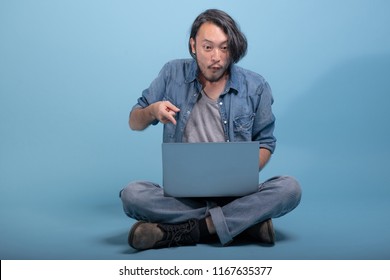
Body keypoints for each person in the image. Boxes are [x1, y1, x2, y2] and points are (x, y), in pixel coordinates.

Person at [120, 9, 301, 250]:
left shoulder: (256, 86)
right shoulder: (171, 73)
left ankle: (190, 231)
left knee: (289, 189)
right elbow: (134, 121)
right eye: (208, 47)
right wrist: (152, 111)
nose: (216, 57)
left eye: (224, 48)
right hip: (183, 197)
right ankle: (243, 223)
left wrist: (240, 173)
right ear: (193, 45)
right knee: (132, 195)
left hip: (237, 195)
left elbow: (266, 142)